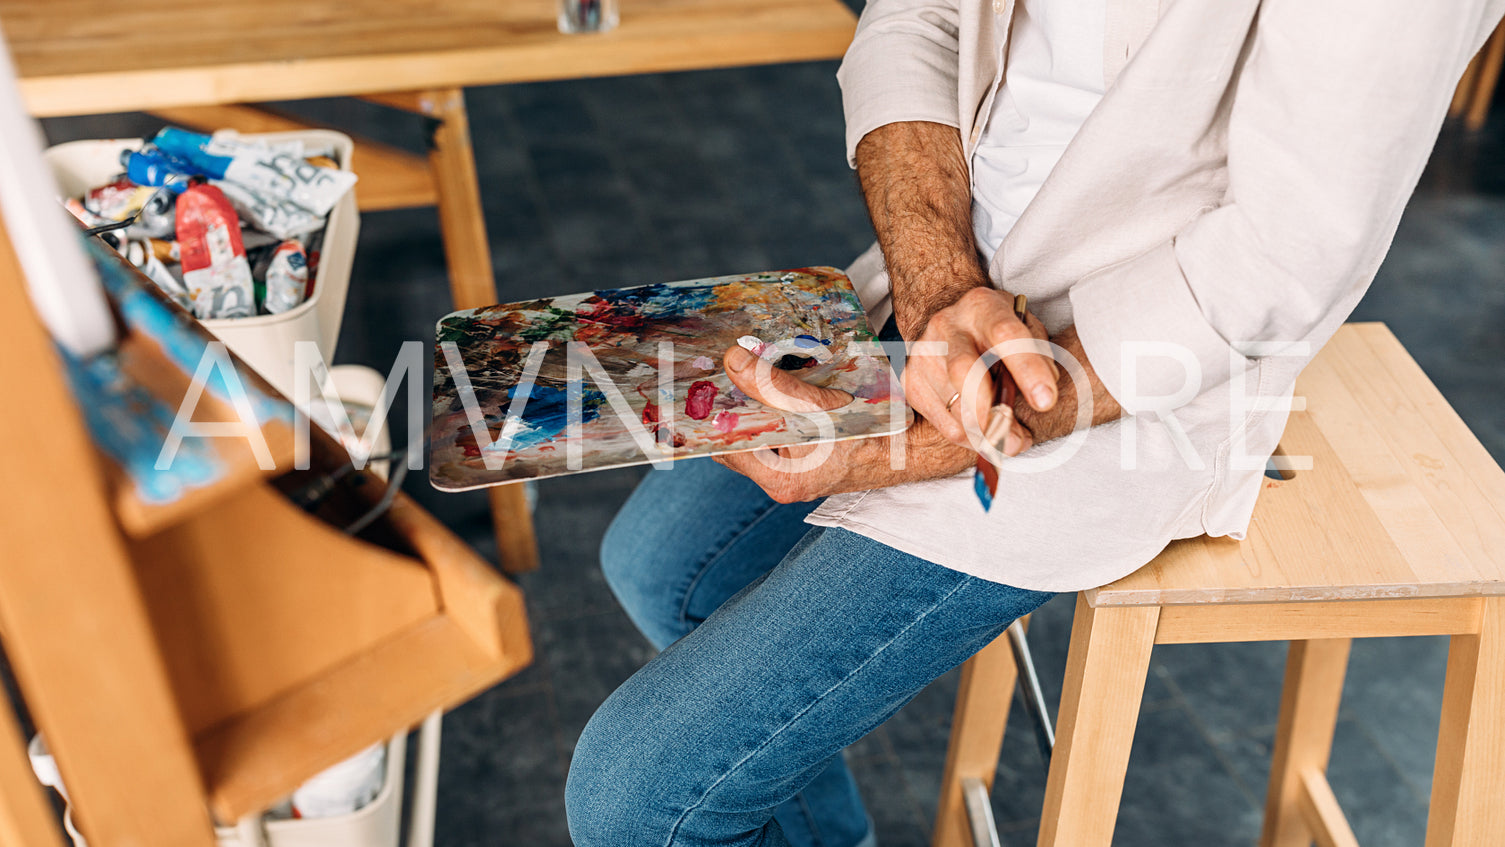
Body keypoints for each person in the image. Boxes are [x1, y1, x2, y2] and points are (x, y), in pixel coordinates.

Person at [565, 0, 1505, 844]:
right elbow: (912, 21)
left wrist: (923, 439)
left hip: (1144, 375)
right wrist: (940, 293)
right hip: (949, 269)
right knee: (657, 564)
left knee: (633, 800)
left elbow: (1278, 263)